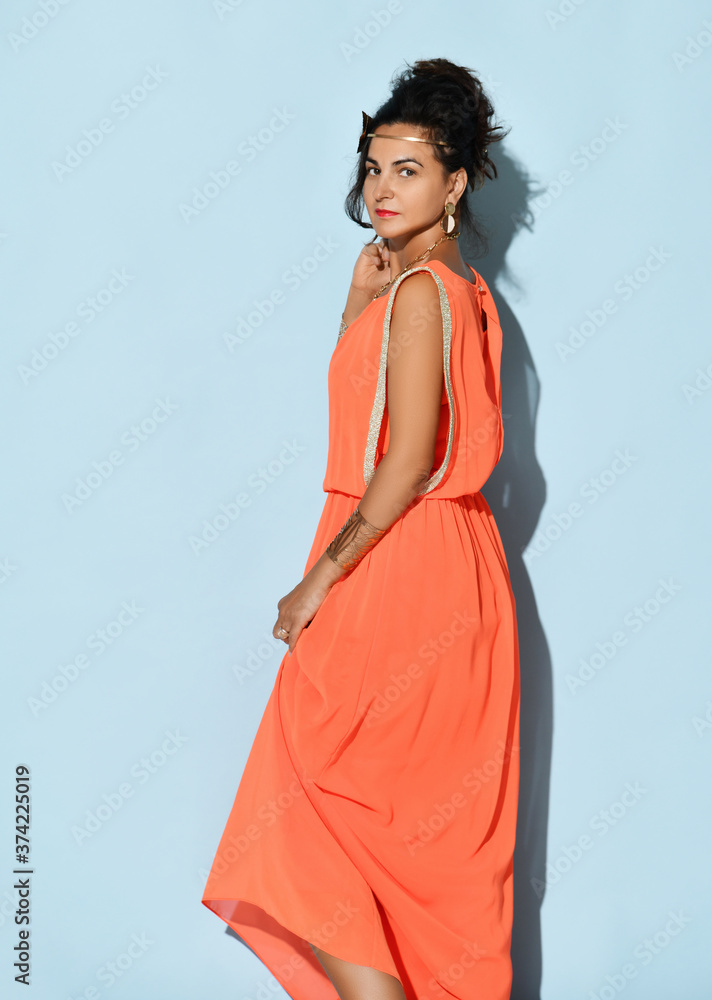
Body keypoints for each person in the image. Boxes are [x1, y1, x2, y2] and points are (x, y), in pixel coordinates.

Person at [202, 57, 521, 1000]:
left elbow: (405, 460)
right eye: (374, 167)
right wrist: (355, 304)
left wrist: (317, 580)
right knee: (378, 843)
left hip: (395, 570)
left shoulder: (423, 294)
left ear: (455, 182)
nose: (381, 188)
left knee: (308, 811)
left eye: (409, 169)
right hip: (448, 568)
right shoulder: (450, 288)